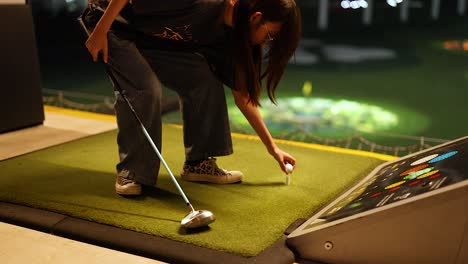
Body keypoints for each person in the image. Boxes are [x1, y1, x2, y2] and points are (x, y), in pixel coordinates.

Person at [82, 0, 301, 195]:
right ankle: (132, 171)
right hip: (112, 24)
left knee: (204, 76)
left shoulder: (233, 36)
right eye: (271, 35)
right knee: (146, 89)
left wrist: (273, 148)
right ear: (256, 17)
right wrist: (101, 28)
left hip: (152, 38)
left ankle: (198, 163)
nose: (268, 43)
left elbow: (243, 96)